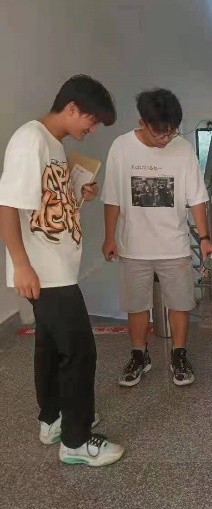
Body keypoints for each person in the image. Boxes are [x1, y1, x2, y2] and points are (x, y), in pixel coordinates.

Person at [0, 75, 124, 466]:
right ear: (72, 107)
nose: (93, 128)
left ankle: (53, 419)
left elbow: (48, 208)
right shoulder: (30, 140)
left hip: (57, 267)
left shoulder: (54, 145)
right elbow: (7, 206)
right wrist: (21, 264)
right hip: (45, 271)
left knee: (51, 348)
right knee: (80, 352)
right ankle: (76, 440)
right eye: (92, 120)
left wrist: (78, 194)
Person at [101, 88, 212, 388]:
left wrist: (204, 237)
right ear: (142, 122)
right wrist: (109, 237)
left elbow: (197, 199)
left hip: (174, 245)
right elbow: (112, 198)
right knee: (136, 305)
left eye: (171, 131)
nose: (166, 138)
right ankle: (139, 355)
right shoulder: (121, 147)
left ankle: (179, 354)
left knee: (180, 303)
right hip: (132, 246)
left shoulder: (183, 150)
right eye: (159, 133)